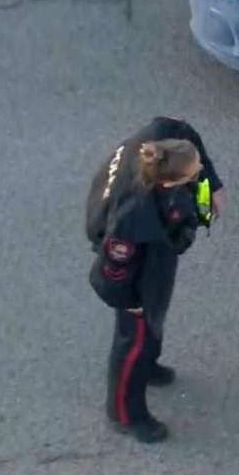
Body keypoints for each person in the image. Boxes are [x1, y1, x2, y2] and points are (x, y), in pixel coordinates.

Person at [84, 117, 224, 443]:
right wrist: (130, 301)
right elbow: (114, 266)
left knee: (154, 322)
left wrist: (212, 184)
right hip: (135, 281)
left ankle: (149, 363)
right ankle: (124, 412)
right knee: (134, 340)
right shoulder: (135, 216)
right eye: (194, 173)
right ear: (169, 183)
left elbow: (186, 131)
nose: (199, 170)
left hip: (155, 261)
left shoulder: (163, 137)